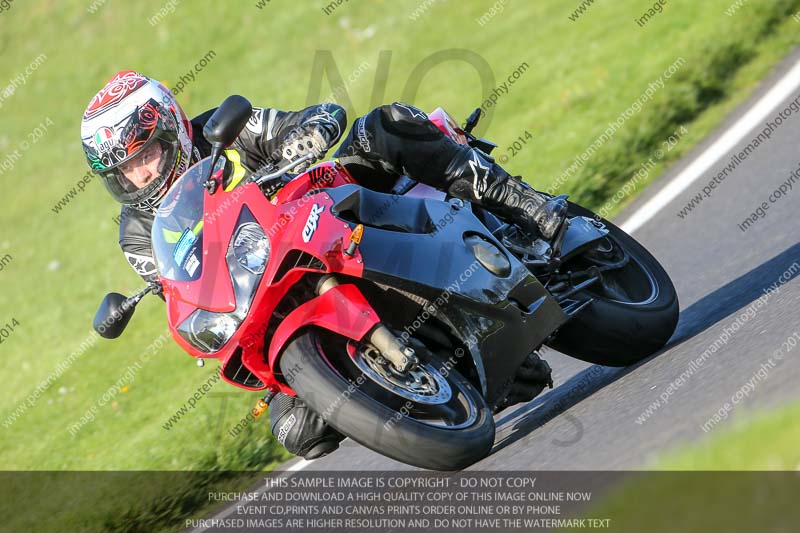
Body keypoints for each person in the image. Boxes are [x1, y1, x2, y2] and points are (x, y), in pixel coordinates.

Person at [80, 71, 563, 460]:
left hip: (331, 215)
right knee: (297, 428)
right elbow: (187, 290)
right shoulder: (137, 233)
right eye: (125, 169)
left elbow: (320, 116)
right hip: (269, 288)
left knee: (385, 125)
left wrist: (306, 137)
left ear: (172, 128)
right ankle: (446, 381)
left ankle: (528, 207)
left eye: (147, 154)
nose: (140, 174)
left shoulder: (222, 132)